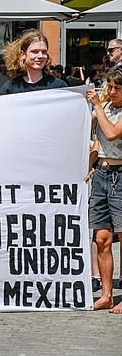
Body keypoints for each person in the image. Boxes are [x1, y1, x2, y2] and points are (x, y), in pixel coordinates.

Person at [86, 70, 122, 313]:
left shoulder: (106, 108)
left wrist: (98, 106)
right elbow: (95, 138)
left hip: (121, 176)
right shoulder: (105, 106)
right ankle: (107, 294)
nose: (111, 92)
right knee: (101, 238)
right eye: (109, 86)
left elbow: (111, 133)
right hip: (101, 174)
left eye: (117, 88)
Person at [0, 29, 67, 94]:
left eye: (44, 52)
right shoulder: (11, 88)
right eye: (34, 51)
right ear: (23, 55)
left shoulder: (58, 86)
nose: (40, 56)